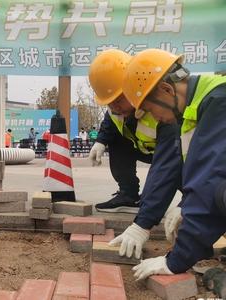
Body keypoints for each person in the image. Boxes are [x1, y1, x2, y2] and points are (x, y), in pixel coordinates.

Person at [120, 48, 226, 280]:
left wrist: (175, 261)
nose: (153, 117)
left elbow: (211, 184)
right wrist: (187, 205)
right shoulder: (197, 109)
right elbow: (194, 172)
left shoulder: (219, 102)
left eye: (149, 109)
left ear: (167, 90)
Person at [88, 49, 181, 219]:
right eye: (109, 103)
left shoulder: (162, 105)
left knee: (182, 169)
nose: (114, 108)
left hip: (172, 151)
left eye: (118, 100)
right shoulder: (115, 110)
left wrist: (146, 215)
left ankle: (191, 200)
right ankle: (128, 194)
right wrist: (100, 141)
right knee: (115, 138)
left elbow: (165, 166)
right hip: (143, 148)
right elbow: (110, 121)